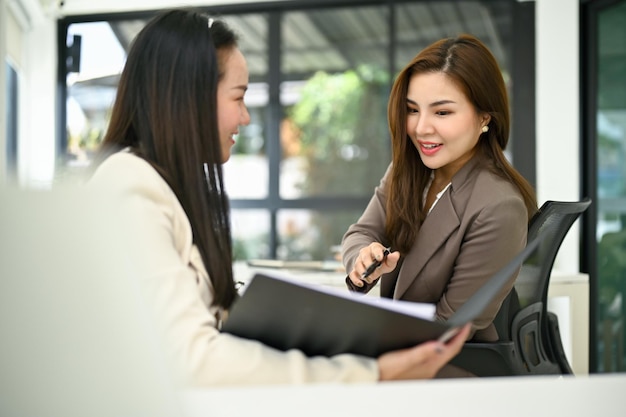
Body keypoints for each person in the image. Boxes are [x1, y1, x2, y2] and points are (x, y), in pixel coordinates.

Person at [88, 8, 469, 387]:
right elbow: (194, 360)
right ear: (189, 97)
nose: (245, 118)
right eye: (238, 98)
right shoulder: (129, 186)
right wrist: (371, 374)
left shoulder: (161, 186)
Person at [342, 34, 537, 376]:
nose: (421, 128)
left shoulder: (498, 206)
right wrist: (362, 259)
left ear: (484, 118)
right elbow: (362, 231)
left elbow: (449, 326)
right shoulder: (409, 170)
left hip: (453, 369)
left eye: (442, 111)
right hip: (405, 353)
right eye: (412, 110)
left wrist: (355, 337)